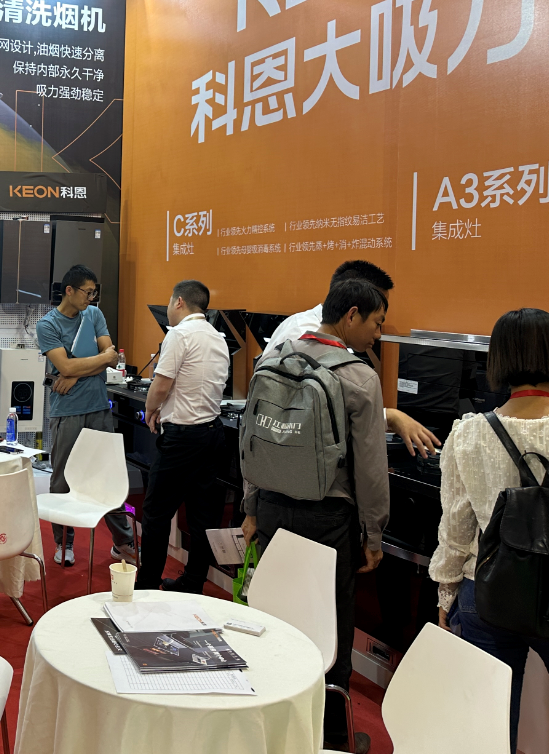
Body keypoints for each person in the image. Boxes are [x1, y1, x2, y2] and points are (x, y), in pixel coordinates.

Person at [430, 308, 549, 753]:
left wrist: (447, 594)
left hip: (486, 594)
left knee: (486, 733)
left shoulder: (467, 434)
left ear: (498, 360)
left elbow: (455, 530)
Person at [242, 278, 390, 754]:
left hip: (271, 509)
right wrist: (374, 534)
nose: (377, 335)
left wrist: (251, 507)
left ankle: (269, 722)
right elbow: (371, 469)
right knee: (330, 629)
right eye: (376, 323)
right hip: (327, 519)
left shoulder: (273, 358)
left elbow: (253, 441)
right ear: (351, 316)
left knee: (276, 616)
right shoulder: (360, 377)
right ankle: (331, 738)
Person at [261, 259, 442, 457]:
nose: (378, 332)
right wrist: (388, 417)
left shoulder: (315, 330)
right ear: (355, 306)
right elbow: (305, 415)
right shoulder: (306, 337)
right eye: (377, 313)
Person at [36, 264, 135, 566]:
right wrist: (84, 365)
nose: (91, 298)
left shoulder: (94, 315)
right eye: (87, 292)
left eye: (94, 293)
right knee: (62, 480)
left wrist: (76, 373)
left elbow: (112, 357)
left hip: (98, 407)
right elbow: (65, 366)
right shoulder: (47, 325)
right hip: (67, 411)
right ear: (69, 290)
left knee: (109, 477)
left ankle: (124, 543)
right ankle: (63, 543)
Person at [137, 280, 230, 593]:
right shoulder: (217, 337)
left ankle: (147, 584)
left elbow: (161, 384)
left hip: (182, 439)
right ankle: (192, 585)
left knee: (156, 514)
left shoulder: (178, 334)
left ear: (179, 302)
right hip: (213, 434)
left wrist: (150, 409)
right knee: (203, 517)